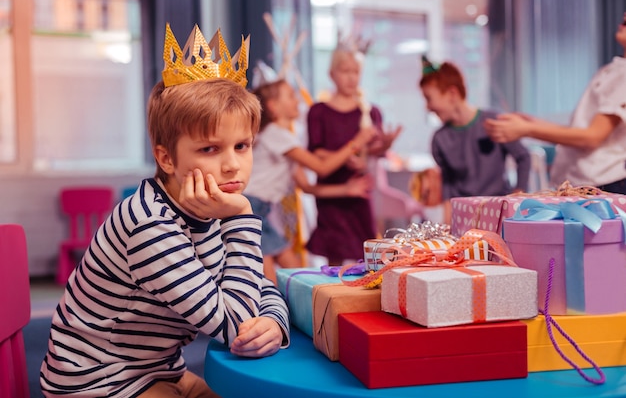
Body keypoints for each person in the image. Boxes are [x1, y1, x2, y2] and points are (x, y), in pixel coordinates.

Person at [40, 24, 290, 397]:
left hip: (156, 367)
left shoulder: (209, 204)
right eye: (210, 149)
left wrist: (273, 321)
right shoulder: (150, 223)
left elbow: (260, 287)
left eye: (242, 146)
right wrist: (241, 216)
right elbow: (234, 323)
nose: (232, 165)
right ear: (167, 158)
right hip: (98, 379)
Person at [245, 78, 376, 284]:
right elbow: (321, 167)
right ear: (273, 107)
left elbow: (307, 187)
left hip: (260, 210)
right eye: (290, 95)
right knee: (274, 278)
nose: (297, 100)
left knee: (297, 271)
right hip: (251, 208)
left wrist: (346, 189)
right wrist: (356, 143)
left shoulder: (284, 142)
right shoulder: (276, 135)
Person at [485, 12, 626, 195]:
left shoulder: (623, 75)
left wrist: (528, 129)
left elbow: (592, 137)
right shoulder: (613, 70)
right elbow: (584, 131)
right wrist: (532, 123)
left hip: (603, 183)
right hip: (590, 182)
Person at [306, 40, 402, 266]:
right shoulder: (318, 112)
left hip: (361, 194)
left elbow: (371, 151)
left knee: (367, 252)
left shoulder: (371, 111)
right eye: (345, 71)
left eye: (356, 72)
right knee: (334, 259)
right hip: (332, 195)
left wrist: (384, 147)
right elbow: (316, 154)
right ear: (332, 74)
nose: (351, 77)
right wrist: (346, 156)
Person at [419, 56, 531, 224]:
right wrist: (448, 227)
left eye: (429, 98)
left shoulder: (493, 122)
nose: (427, 107)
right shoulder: (439, 140)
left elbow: (523, 157)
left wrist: (517, 197)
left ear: (452, 94)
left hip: (498, 215)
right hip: (464, 218)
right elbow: (448, 187)